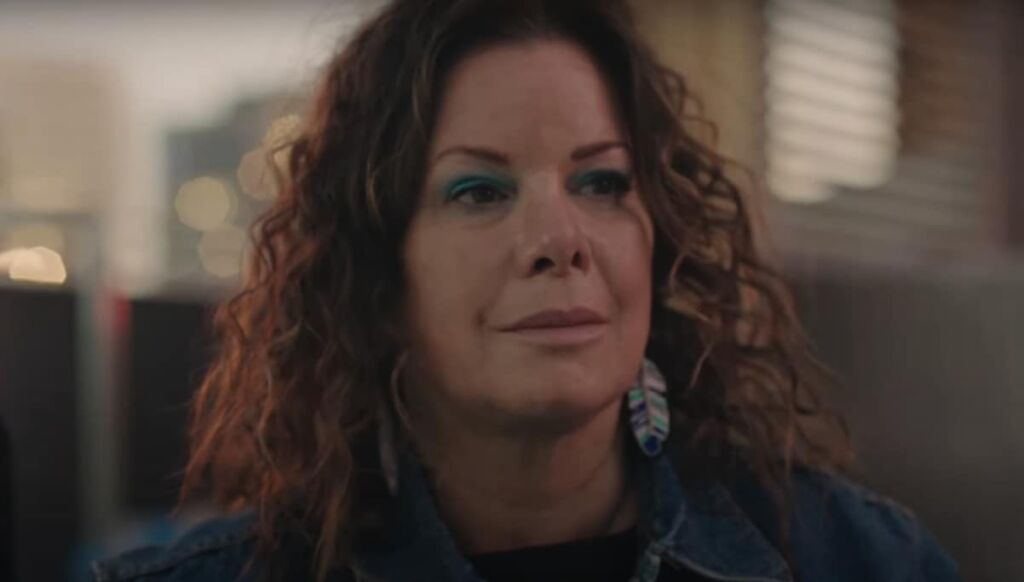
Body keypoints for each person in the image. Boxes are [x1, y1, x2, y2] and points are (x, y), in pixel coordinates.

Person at [92, 0, 960, 580]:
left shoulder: (860, 559)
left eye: (602, 182)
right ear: (378, 282)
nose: (560, 240)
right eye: (480, 191)